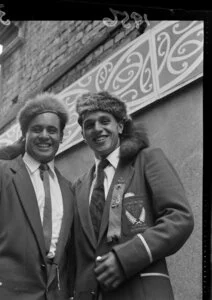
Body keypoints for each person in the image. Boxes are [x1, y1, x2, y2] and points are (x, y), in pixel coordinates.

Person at [72, 91, 194, 300]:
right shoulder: (78, 187)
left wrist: (125, 259)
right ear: (83, 135)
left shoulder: (146, 160)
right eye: (89, 124)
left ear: (120, 126)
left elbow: (179, 218)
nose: (97, 129)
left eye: (104, 121)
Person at [0, 93, 74, 300]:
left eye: (52, 130)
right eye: (37, 129)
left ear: (62, 136)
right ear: (24, 134)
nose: (45, 136)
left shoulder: (68, 188)